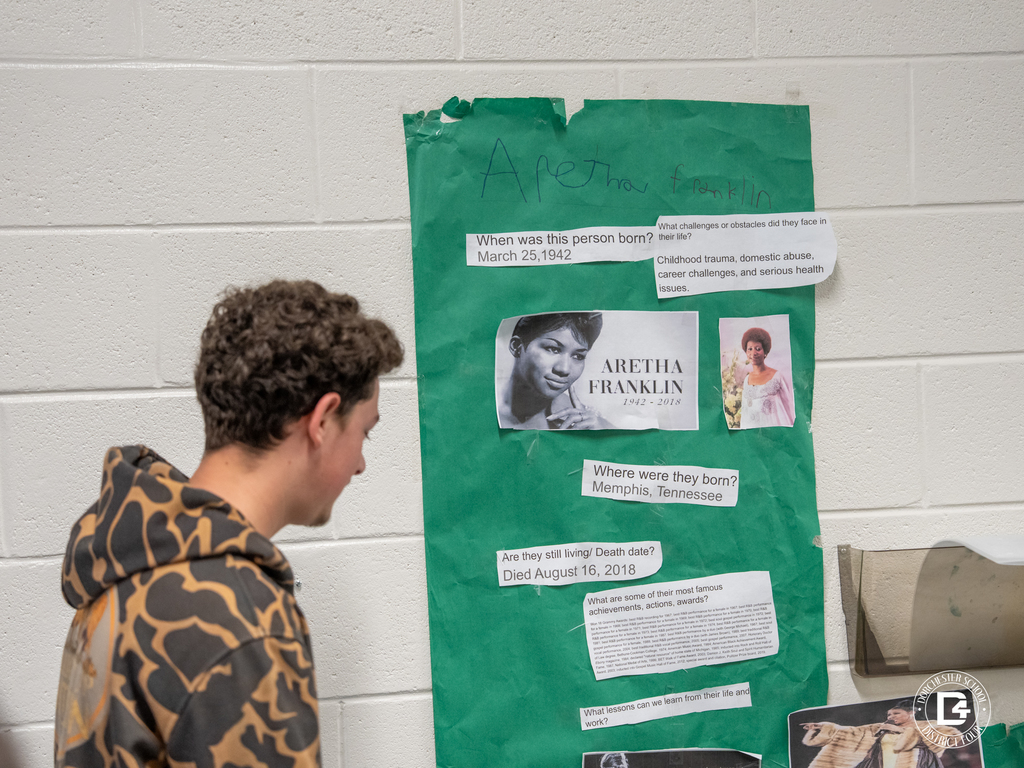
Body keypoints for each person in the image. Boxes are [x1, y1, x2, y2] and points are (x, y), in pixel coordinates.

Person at [54, 280, 403, 768]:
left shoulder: (126, 564)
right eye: (364, 432)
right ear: (323, 420)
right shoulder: (240, 618)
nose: (361, 463)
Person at [497, 311, 611, 430]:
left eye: (578, 356)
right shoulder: (484, 407)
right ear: (516, 347)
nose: (564, 369)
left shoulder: (584, 420)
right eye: (553, 349)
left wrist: (599, 435)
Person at [801, 701, 959, 768]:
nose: (891, 717)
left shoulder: (929, 726)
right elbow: (851, 732)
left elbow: (952, 739)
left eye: (896, 713)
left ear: (911, 713)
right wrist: (820, 727)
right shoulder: (881, 727)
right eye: (889, 714)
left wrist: (904, 732)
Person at [738, 326, 795, 429]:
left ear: (765, 352)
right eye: (749, 349)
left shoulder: (777, 377)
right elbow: (745, 412)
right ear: (746, 352)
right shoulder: (747, 380)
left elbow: (790, 406)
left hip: (775, 432)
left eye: (758, 349)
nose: (753, 353)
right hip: (752, 435)